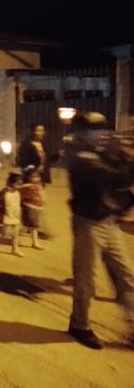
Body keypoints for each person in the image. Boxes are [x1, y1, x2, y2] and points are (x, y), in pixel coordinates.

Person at [64, 113, 134, 349]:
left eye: (102, 129)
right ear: (82, 133)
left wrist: (124, 154)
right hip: (88, 223)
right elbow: (115, 180)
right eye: (94, 129)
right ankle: (79, 325)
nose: (101, 133)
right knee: (86, 279)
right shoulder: (81, 157)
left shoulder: (100, 152)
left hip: (108, 221)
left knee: (126, 276)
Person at [0, 173, 24, 257]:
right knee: (5, 233)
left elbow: (21, 202)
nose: (19, 186)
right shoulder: (4, 193)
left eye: (20, 184)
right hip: (7, 216)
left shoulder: (19, 192)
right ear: (11, 183)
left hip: (16, 215)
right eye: (18, 184)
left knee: (16, 234)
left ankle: (15, 249)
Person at [19, 166, 45, 250]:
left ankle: (29, 236)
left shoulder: (38, 186)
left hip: (37, 207)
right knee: (34, 226)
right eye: (33, 177)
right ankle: (35, 242)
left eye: (37, 176)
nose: (36, 179)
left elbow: (42, 195)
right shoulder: (26, 186)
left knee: (33, 225)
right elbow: (20, 195)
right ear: (28, 177)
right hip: (30, 207)